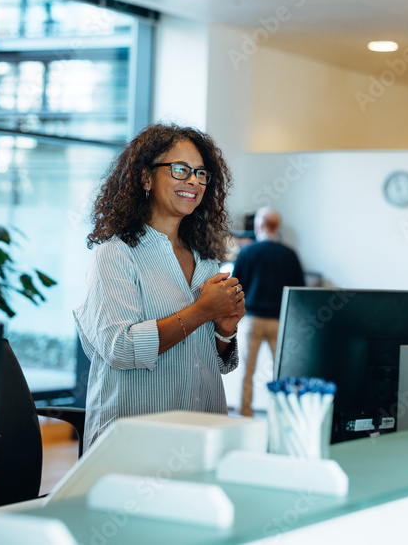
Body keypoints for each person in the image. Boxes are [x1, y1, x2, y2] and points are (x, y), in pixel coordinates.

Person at [75, 124, 246, 449]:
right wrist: (202, 310)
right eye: (181, 170)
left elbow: (209, 361)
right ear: (145, 177)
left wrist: (224, 331)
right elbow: (121, 348)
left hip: (203, 435)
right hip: (134, 442)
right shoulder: (115, 254)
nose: (194, 181)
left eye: (201, 173)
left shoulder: (206, 259)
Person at [233, 207, 305, 417]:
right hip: (279, 321)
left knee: (248, 370)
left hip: (253, 320)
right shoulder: (289, 254)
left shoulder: (247, 252)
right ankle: (280, 412)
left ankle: (245, 412)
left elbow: (236, 286)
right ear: (277, 227)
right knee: (280, 371)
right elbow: (298, 291)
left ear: (258, 226)